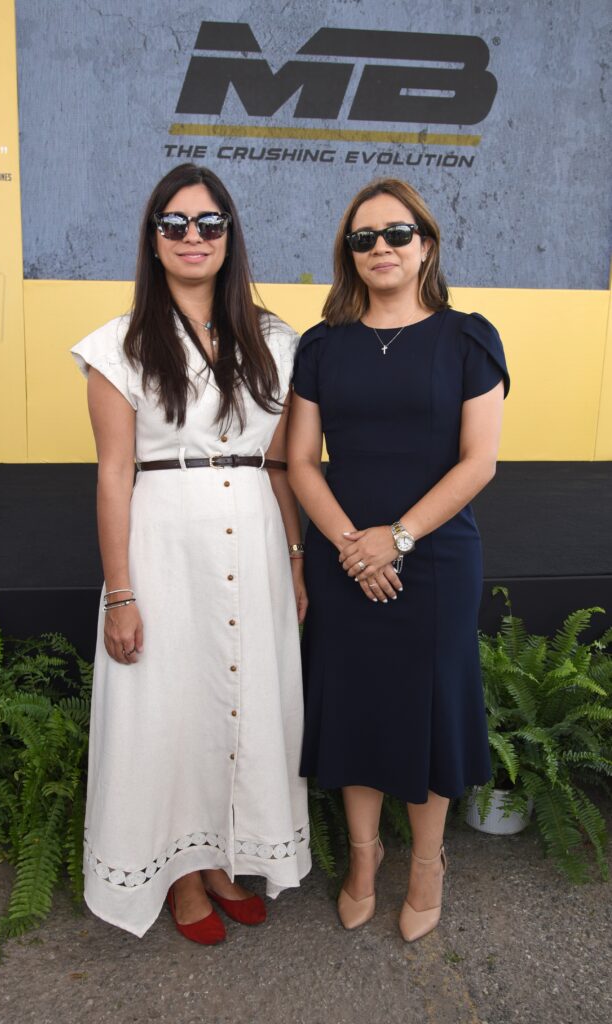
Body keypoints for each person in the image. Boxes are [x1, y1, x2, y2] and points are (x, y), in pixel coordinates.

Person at [71, 163, 310, 944]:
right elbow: (114, 475)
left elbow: (282, 463)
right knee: (167, 710)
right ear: (153, 239)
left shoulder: (275, 340)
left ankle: (220, 858)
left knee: (240, 702)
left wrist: (297, 561)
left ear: (230, 235)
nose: (192, 237)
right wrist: (121, 593)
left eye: (209, 223)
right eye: (174, 223)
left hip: (257, 537)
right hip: (163, 545)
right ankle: (177, 875)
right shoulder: (119, 346)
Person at [287, 178, 509, 941]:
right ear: (348, 253)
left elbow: (479, 461)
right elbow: (300, 460)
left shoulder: (468, 339)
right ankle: (363, 857)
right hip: (342, 555)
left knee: (431, 709)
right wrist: (354, 547)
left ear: (426, 244)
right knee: (353, 703)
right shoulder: (321, 346)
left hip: (436, 560)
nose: (380, 247)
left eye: (396, 233)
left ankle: (427, 864)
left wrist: (398, 537)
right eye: (363, 237)